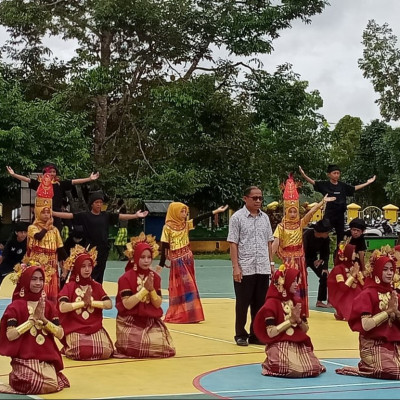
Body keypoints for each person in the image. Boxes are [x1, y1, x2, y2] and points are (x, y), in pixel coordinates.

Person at [0, 259, 70, 394]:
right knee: (36, 385)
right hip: (24, 359)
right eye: (33, 279)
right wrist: (31, 321)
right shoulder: (15, 307)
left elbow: (61, 334)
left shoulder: (48, 306)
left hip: (45, 358)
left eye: (40, 279)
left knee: (50, 385)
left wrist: (43, 320)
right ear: (25, 281)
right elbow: (10, 335)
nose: (38, 283)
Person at [272, 174, 335, 317]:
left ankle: (300, 312)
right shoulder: (281, 227)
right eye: (291, 211)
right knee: (286, 284)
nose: (293, 214)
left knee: (299, 285)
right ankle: (285, 311)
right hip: (287, 261)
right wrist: (272, 260)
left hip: (300, 260)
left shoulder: (300, 224)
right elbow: (276, 243)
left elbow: (311, 213)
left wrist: (322, 202)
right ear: (286, 211)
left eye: (295, 211)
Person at [52, 191, 148, 284]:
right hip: (91, 249)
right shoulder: (86, 216)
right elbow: (69, 216)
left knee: (100, 273)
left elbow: (120, 216)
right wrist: (54, 213)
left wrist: (135, 215)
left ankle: (98, 291)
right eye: (96, 202)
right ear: (92, 204)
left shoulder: (106, 215)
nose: (99, 204)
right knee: (90, 272)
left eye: (100, 202)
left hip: (103, 249)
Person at [158, 202, 228, 324]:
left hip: (187, 258)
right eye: (182, 211)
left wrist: (215, 212)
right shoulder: (167, 227)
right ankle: (181, 313)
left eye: (186, 212)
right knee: (184, 286)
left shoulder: (185, 225)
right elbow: (165, 245)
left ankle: (191, 314)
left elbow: (199, 219)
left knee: (190, 286)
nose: (185, 214)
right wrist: (161, 263)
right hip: (177, 260)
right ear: (174, 212)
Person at [336, 249, 400, 379]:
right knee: (392, 371)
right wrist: (387, 312)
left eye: (391, 270)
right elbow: (366, 325)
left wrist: (396, 313)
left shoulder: (395, 294)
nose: (389, 273)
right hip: (373, 345)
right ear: (376, 271)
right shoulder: (367, 294)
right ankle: (363, 368)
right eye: (385, 269)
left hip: (394, 345)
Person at [253, 265, 326, 377]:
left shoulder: (296, 301)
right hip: (279, 344)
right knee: (291, 369)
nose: (297, 284)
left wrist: (299, 321)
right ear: (284, 282)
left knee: (313, 368)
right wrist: (290, 321)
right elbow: (271, 332)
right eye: (294, 281)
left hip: (297, 343)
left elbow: (305, 329)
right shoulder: (271, 304)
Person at [114, 233, 176, 358]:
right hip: (130, 320)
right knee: (139, 346)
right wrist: (144, 290)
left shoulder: (155, 278)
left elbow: (158, 303)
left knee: (163, 348)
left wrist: (151, 289)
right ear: (136, 257)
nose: (146, 261)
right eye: (142, 257)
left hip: (150, 320)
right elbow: (127, 304)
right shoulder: (125, 278)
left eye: (149, 257)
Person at [227, 186, 274, 346]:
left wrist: (271, 263)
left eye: (260, 198)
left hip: (262, 266)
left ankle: (256, 334)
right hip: (245, 267)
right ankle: (240, 334)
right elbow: (233, 243)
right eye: (255, 198)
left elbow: (269, 242)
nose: (258, 201)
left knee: (260, 303)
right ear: (245, 198)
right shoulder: (237, 218)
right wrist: (236, 267)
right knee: (243, 302)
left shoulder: (265, 218)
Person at [298, 165, 375, 250]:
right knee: (324, 233)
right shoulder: (325, 185)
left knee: (340, 236)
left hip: (340, 214)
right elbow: (313, 182)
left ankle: (339, 254)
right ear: (329, 174)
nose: (336, 175)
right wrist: (304, 175)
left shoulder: (342, 186)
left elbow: (354, 188)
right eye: (334, 173)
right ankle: (321, 251)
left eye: (338, 173)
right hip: (329, 214)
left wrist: (368, 183)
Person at [58, 245, 114, 360]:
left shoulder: (96, 286)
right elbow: (62, 307)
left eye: (89, 266)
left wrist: (92, 303)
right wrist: (82, 303)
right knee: (79, 351)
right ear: (77, 268)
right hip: (75, 328)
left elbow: (109, 304)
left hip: (94, 328)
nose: (87, 269)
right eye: (83, 266)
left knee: (106, 351)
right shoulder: (70, 286)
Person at [6, 163, 99, 231]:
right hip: (41, 214)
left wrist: (89, 179)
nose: (52, 174)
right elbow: (27, 179)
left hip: (55, 214)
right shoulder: (39, 184)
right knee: (38, 234)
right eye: (50, 172)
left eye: (54, 172)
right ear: (45, 173)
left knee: (55, 236)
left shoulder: (60, 184)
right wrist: (14, 175)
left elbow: (74, 181)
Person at [27, 176, 67, 303]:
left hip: (52, 267)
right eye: (43, 212)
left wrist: (65, 269)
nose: (46, 215)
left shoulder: (55, 230)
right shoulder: (32, 228)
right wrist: (46, 227)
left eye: (48, 212)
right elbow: (38, 237)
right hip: (37, 267)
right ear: (38, 212)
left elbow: (61, 251)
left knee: (52, 297)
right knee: (37, 295)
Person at [327, 243, 364, 321]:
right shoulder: (338, 269)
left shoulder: (354, 266)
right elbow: (343, 288)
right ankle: (341, 311)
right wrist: (353, 275)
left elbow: (363, 284)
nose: (355, 254)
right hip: (343, 297)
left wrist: (359, 274)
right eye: (353, 252)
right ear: (347, 254)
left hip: (356, 294)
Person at [302, 218, 333, 308]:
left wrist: (324, 266)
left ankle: (320, 301)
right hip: (302, 257)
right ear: (320, 232)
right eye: (326, 233)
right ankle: (298, 299)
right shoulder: (307, 235)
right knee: (300, 278)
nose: (327, 235)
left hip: (314, 259)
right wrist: (303, 266)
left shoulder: (325, 239)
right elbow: (302, 251)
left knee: (324, 275)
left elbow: (326, 253)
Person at [0, 222, 28, 287]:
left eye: (25, 232)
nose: (23, 234)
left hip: (20, 268)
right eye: (21, 232)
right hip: (7, 267)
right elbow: (3, 256)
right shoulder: (11, 242)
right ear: (16, 232)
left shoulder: (28, 242)